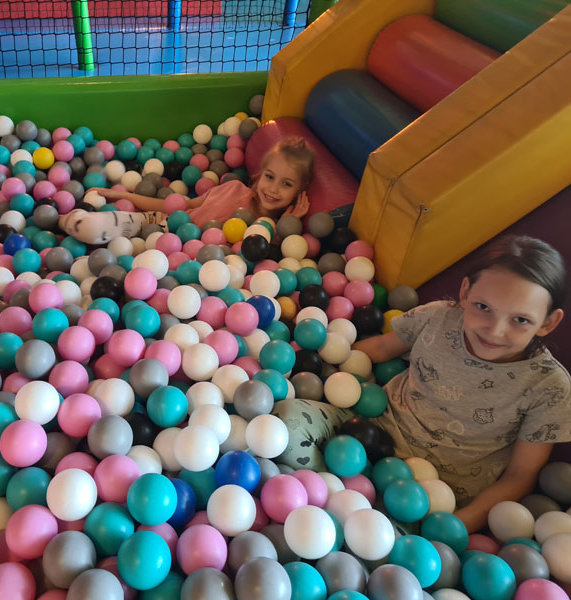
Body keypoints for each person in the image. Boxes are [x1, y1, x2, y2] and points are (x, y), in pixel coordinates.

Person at [276, 235, 570, 533]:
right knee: (284, 425)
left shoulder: (549, 387)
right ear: (466, 292)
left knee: (379, 542)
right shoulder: (438, 318)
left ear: (548, 322)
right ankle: (325, 498)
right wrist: (306, 361)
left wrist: (457, 526)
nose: (495, 330)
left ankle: (340, 513)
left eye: (520, 320)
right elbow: (379, 349)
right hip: (368, 431)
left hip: (431, 495)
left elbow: (520, 476)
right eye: (483, 306)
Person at [60, 137, 313, 244]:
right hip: (162, 226)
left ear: (299, 191)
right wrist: (125, 195)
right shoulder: (233, 188)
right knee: (90, 226)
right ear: (260, 174)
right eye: (270, 177)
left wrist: (288, 225)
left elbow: (262, 254)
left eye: (287, 184)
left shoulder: (271, 229)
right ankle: (61, 220)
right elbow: (180, 205)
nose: (273, 189)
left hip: (197, 266)